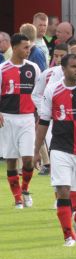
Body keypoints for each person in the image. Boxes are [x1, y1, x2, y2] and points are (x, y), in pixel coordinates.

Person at [33, 53, 76, 246]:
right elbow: (44, 121)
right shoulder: (53, 90)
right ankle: (68, 236)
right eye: (73, 66)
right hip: (60, 148)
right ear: (63, 69)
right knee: (63, 190)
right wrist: (36, 150)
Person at [0, 34, 40, 208]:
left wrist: (40, 116)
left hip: (27, 118)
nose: (28, 50)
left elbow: (38, 95)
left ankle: (25, 190)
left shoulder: (33, 68)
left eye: (29, 47)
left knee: (28, 159)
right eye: (25, 47)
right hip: (7, 118)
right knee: (11, 159)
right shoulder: (2, 69)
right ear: (14, 47)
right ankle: (17, 198)